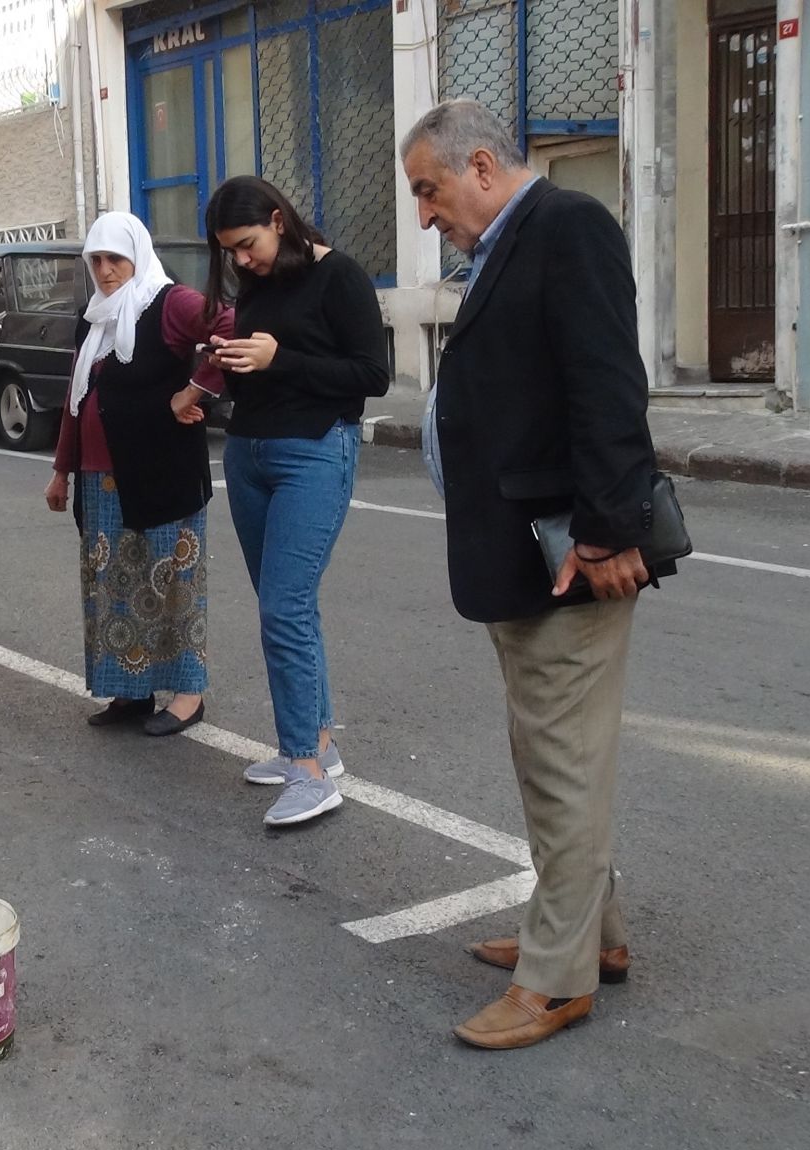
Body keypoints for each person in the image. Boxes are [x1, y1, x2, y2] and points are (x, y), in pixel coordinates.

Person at [401, 99, 657, 1049]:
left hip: (568, 558)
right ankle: (596, 934)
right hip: (521, 553)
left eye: (428, 191)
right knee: (553, 762)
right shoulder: (511, 241)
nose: (424, 215)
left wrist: (608, 528)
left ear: (479, 165)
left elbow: (607, 382)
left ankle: (561, 978)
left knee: (562, 764)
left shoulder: (569, 226)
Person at [201, 177, 390, 825]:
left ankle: (307, 770)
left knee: (283, 608)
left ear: (279, 221)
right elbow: (265, 365)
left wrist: (280, 358)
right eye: (230, 252)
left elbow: (372, 375)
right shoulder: (258, 284)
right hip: (248, 454)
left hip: (313, 452)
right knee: (286, 605)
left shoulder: (341, 278)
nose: (241, 260)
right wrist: (231, 361)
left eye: (247, 245)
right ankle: (319, 745)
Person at [45, 212, 233, 736]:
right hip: (100, 480)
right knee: (115, 588)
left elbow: (231, 326)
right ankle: (131, 691)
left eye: (115, 260)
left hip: (162, 475)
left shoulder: (169, 303)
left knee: (171, 584)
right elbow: (75, 401)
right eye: (97, 260)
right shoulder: (94, 317)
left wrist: (191, 392)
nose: (105, 270)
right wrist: (62, 471)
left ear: (138, 257)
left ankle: (188, 695)